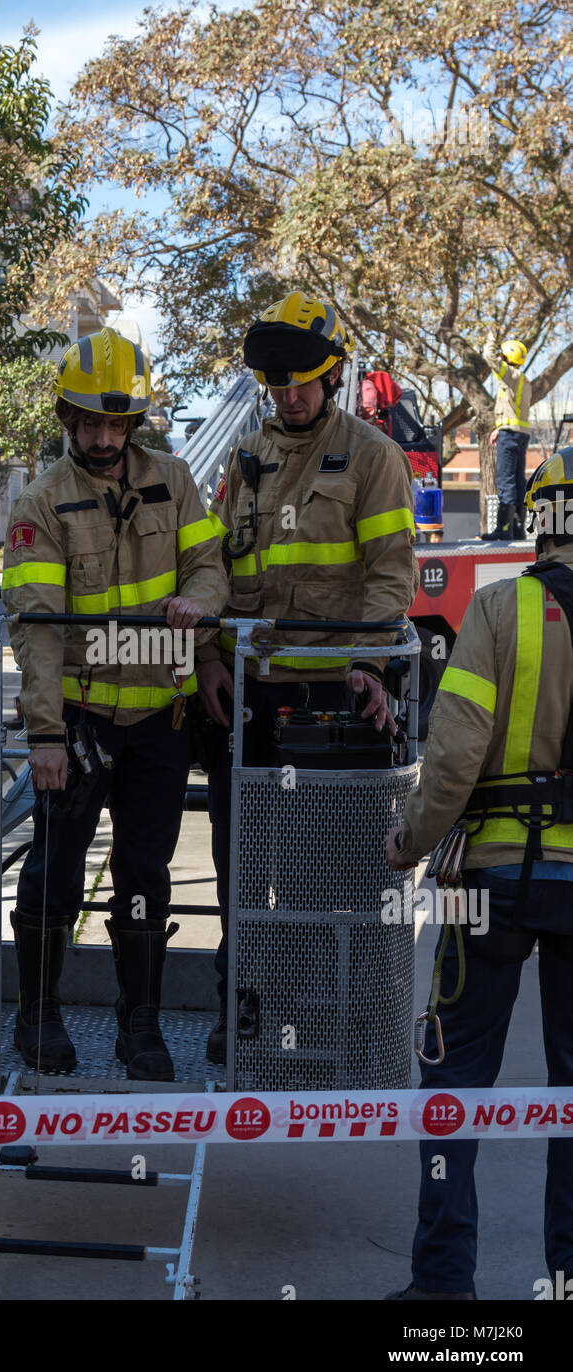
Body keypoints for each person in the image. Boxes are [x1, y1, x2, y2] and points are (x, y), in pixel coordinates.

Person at [198, 290, 419, 1063]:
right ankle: (249, 1017)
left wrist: (366, 663)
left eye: (303, 381)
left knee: (343, 878)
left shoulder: (372, 456)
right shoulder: (245, 457)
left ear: (332, 377)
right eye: (278, 383)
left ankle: (355, 1028)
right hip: (255, 699)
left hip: (336, 699)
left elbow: (392, 575)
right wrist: (212, 662)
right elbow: (218, 570)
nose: (289, 395)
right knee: (244, 869)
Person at [2, 327, 227, 1082]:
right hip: (78, 721)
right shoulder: (41, 503)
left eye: (116, 424)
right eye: (90, 423)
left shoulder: (176, 478)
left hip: (160, 724)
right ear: (67, 419)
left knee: (145, 874)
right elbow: (34, 628)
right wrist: (44, 734)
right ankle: (37, 1015)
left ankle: (142, 1027)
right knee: (56, 874)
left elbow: (209, 564)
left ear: (136, 423)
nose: (103, 439)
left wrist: (198, 603)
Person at [385, 446, 573, 1300]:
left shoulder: (500, 610)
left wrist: (408, 842)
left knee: (453, 1086)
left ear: (540, 517)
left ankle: (442, 1289)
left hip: (488, 882)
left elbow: (453, 755)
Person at [482, 334, 531, 541]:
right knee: (518, 481)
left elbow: (489, 357)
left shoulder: (509, 374)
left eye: (503, 354)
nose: (500, 358)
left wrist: (491, 341)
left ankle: (503, 528)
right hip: (519, 434)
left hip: (509, 436)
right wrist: (498, 428)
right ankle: (518, 529)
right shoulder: (523, 380)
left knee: (506, 480)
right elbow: (512, 410)